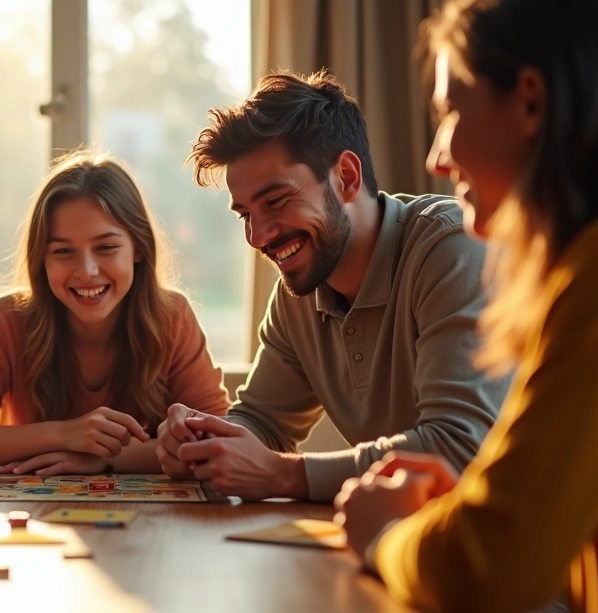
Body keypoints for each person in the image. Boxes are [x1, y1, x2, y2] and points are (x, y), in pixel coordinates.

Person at [334, 0, 598, 613]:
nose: (437, 157)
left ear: (529, 102)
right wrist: (463, 509)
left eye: (450, 112)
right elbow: (541, 530)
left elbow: (495, 565)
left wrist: (386, 536)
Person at [157, 71, 510, 502]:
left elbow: (458, 449)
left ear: (345, 176)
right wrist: (205, 444)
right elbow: (263, 422)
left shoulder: (454, 248)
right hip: (404, 539)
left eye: (275, 201)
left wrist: (285, 476)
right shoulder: (299, 292)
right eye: (245, 214)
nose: (258, 236)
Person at [0, 150, 230, 474]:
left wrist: (106, 458)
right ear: (42, 258)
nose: (86, 271)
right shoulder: (7, 319)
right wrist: (64, 435)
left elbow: (219, 442)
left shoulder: (172, 317)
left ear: (138, 247)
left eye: (106, 247)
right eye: (63, 251)